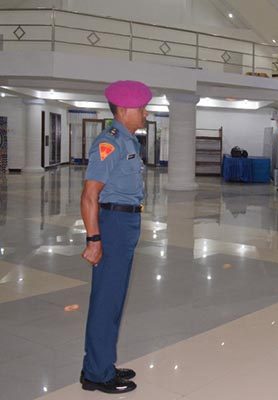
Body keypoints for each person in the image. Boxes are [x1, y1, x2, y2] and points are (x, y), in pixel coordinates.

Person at [80, 80, 151, 394]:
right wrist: (94, 239)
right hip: (113, 224)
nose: (146, 113)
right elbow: (89, 195)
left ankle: (102, 363)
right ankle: (96, 373)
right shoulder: (109, 143)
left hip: (125, 223)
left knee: (114, 299)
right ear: (123, 110)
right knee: (106, 300)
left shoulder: (128, 141)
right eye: (142, 108)